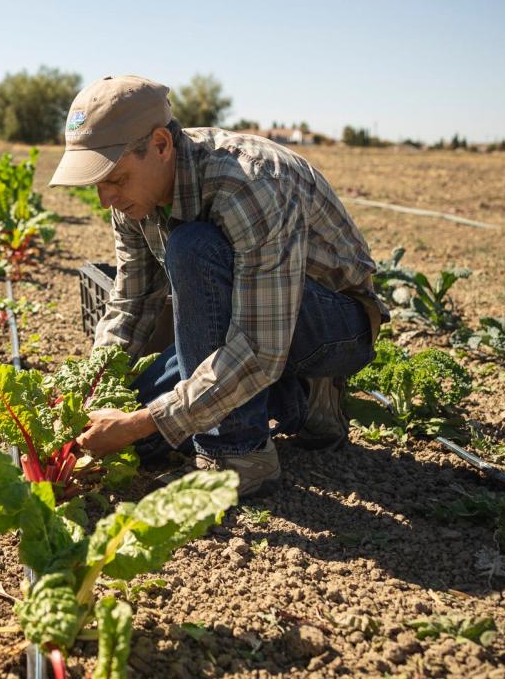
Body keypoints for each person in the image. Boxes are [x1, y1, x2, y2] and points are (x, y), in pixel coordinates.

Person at [51, 75, 388, 498]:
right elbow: (132, 303)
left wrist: (142, 422)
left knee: (192, 248)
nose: (105, 199)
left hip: (330, 325)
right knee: (141, 435)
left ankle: (237, 454)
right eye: (97, 183)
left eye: (114, 179)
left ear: (160, 145)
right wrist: (89, 387)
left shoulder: (249, 182)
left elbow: (260, 347)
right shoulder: (131, 200)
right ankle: (302, 398)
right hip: (244, 321)